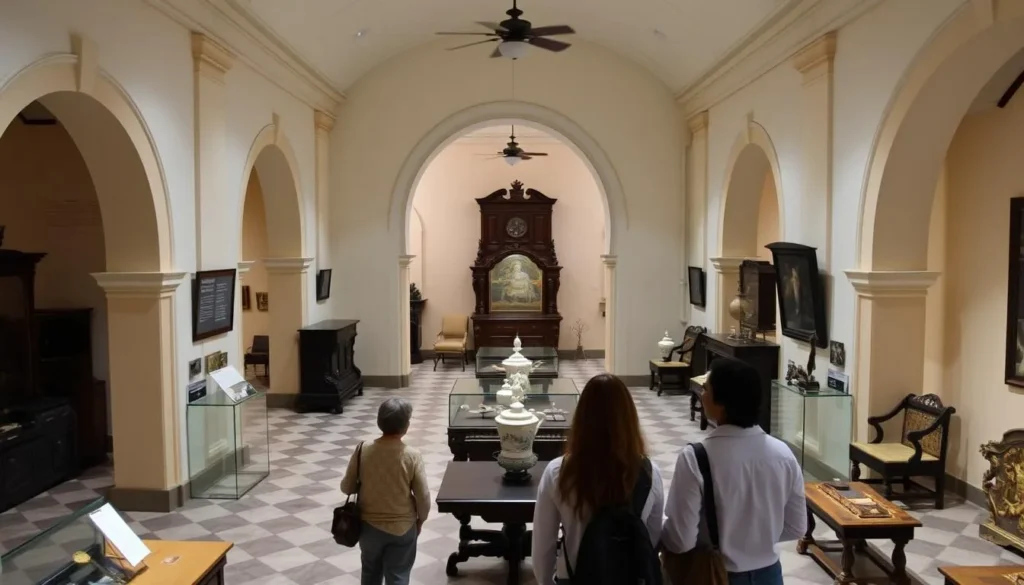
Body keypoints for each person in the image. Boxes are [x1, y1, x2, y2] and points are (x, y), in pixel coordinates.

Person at [662, 359, 806, 585]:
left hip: (716, 575)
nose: (702, 393)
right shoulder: (784, 455)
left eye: (706, 388)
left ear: (722, 404)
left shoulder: (696, 458)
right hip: (770, 575)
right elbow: (797, 526)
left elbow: (681, 540)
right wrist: (756, 539)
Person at [532, 373, 665, 585]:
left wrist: (545, 581)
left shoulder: (559, 472)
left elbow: (542, 546)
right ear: (629, 418)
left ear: (582, 418)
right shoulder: (650, 473)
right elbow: (653, 537)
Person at [340, 398, 430, 585]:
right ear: (406, 426)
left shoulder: (362, 450)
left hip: (368, 527)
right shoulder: (412, 456)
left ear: (379, 422)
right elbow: (423, 497)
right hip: (402, 527)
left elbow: (346, 488)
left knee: (370, 573)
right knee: (398, 575)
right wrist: (421, 519)